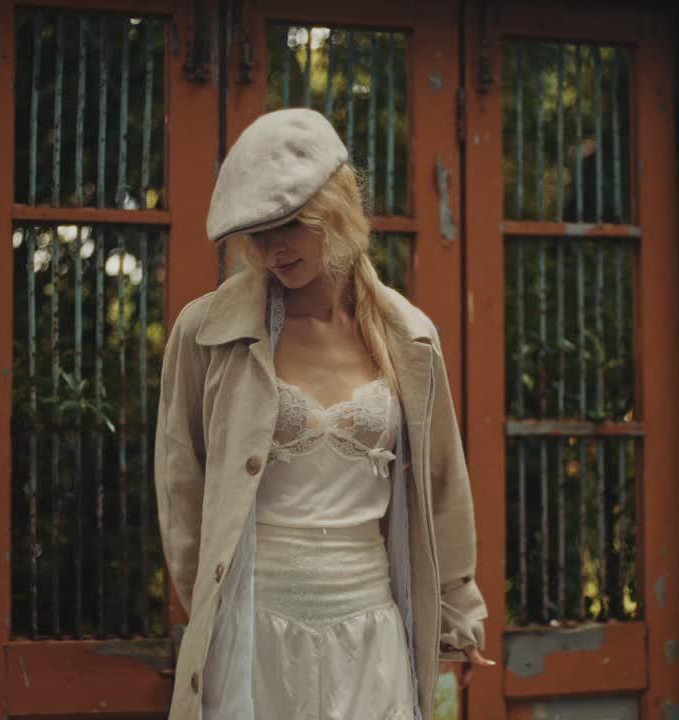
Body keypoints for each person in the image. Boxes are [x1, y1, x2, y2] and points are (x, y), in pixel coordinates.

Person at [154, 108, 492, 720]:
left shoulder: (409, 338)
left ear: (334, 208)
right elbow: (183, 487)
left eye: (289, 225)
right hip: (255, 629)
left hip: (371, 630)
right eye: (257, 233)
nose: (273, 248)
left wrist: (455, 605)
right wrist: (214, 609)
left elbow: (443, 481)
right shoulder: (208, 332)